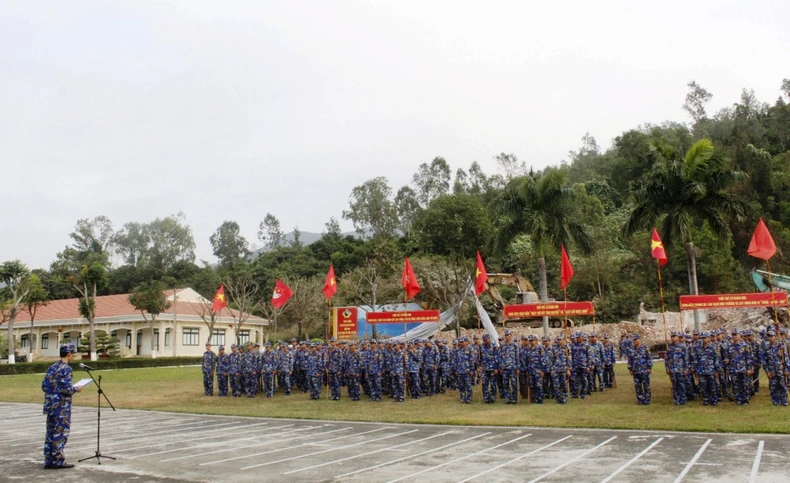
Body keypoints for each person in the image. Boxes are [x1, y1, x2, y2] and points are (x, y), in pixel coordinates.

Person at [42, 344, 83, 469]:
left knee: (50, 433)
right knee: (60, 434)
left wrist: (54, 391)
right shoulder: (66, 369)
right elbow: (67, 389)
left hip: (50, 405)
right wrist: (76, 388)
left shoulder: (52, 367)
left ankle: (49, 460)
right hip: (61, 406)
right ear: (69, 354)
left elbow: (44, 386)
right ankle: (57, 460)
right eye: (73, 354)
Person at [627, 334, 652, 405]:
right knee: (637, 386)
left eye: (636, 339)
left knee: (646, 386)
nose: (634, 341)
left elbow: (649, 358)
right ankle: (640, 399)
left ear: (639, 339)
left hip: (644, 370)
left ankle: (647, 400)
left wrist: (649, 367)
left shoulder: (645, 348)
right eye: (633, 340)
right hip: (636, 371)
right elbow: (630, 360)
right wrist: (630, 369)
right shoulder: (631, 349)